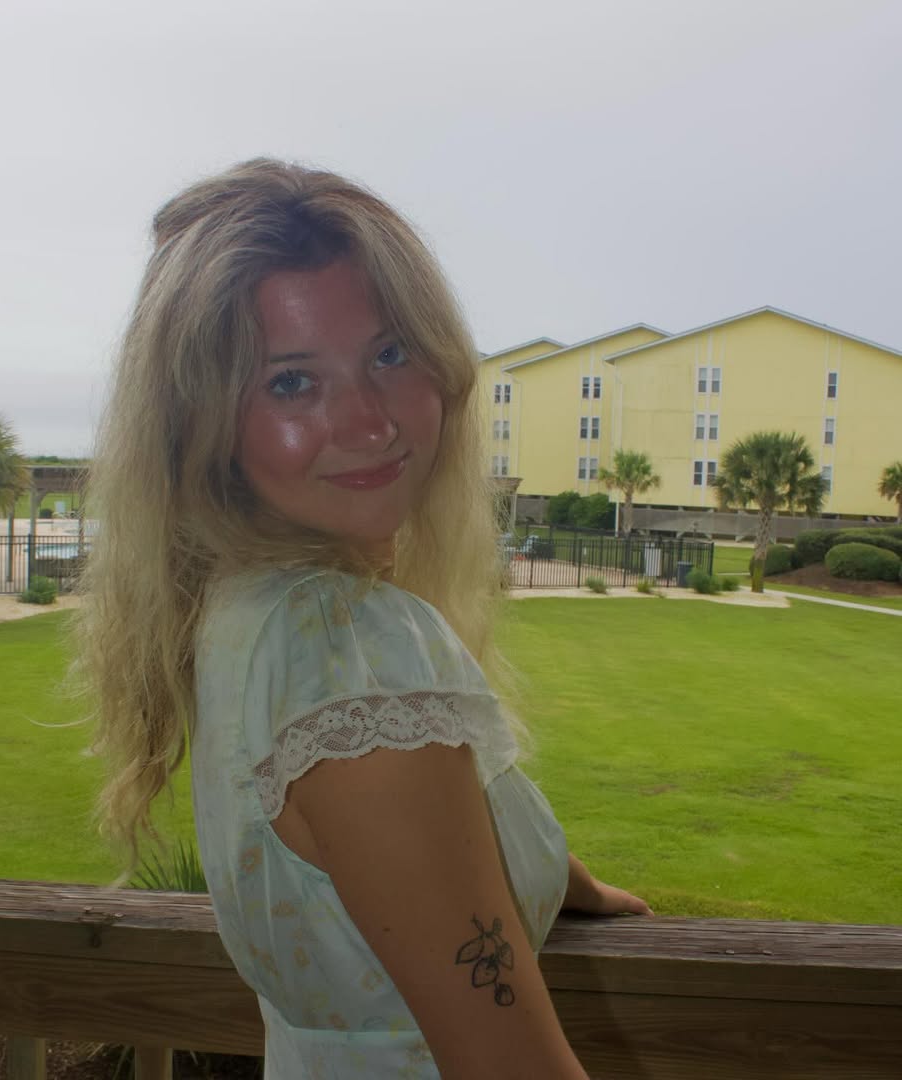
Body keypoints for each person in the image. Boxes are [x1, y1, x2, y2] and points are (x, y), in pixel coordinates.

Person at [79, 158, 651, 1079]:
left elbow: (396, 833)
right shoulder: (351, 651)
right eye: (291, 383)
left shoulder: (246, 609)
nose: (368, 422)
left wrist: (552, 876)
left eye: (389, 356)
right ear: (205, 423)